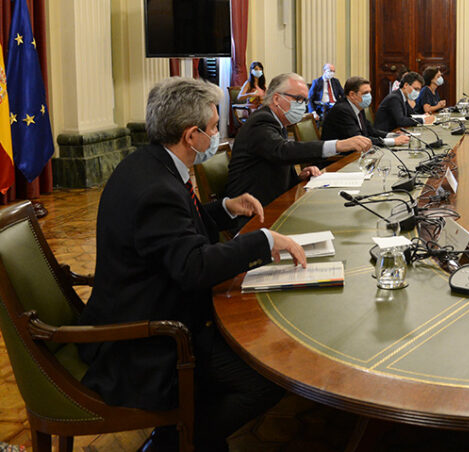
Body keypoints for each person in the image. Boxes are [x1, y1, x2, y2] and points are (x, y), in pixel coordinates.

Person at [78, 77, 308, 452]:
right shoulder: (156, 189)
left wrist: (225, 208)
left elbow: (178, 231)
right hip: (148, 340)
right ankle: (179, 441)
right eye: (214, 128)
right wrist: (263, 241)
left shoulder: (150, 163)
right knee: (267, 379)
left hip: (150, 304)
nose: (218, 135)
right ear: (191, 135)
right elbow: (193, 266)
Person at [226, 73, 373, 207]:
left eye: (305, 100)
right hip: (250, 208)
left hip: (271, 200)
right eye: (298, 99)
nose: (302, 105)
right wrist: (338, 145)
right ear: (276, 99)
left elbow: (274, 162)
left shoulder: (278, 123)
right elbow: (282, 151)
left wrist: (299, 177)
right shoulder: (261, 121)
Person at [323, 76, 411, 148]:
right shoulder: (342, 110)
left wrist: (393, 135)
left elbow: (371, 131)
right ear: (352, 95)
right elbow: (360, 140)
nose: (369, 96)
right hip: (340, 158)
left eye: (369, 92)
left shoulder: (358, 106)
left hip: (357, 151)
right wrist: (393, 141)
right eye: (365, 93)